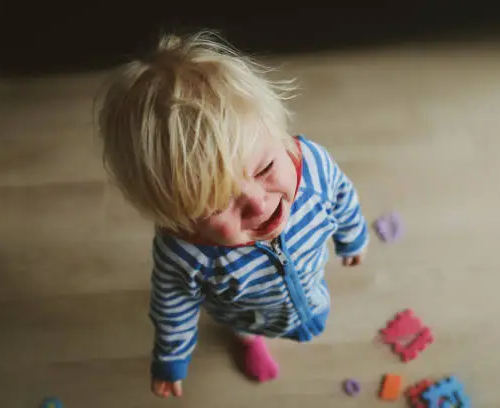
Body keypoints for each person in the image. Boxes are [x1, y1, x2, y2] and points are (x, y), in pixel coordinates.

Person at [97, 30, 369, 398]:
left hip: (309, 270)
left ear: (279, 133)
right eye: (217, 204)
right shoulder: (184, 254)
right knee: (246, 326)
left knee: (309, 288)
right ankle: (248, 340)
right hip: (245, 312)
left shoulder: (313, 166)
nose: (258, 203)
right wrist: (171, 358)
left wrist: (352, 236)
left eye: (264, 168)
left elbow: (342, 196)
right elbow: (171, 306)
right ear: (178, 217)